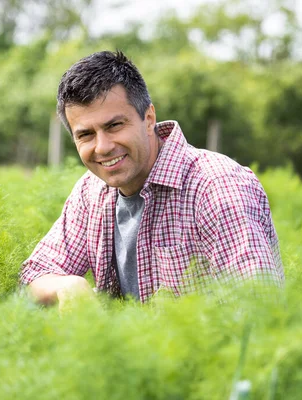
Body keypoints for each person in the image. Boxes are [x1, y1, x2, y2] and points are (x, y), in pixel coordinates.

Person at [20, 50, 284, 306]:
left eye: (114, 126)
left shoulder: (216, 187)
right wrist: (66, 287)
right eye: (86, 134)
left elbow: (259, 308)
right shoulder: (92, 190)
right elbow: (35, 275)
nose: (102, 147)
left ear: (148, 118)